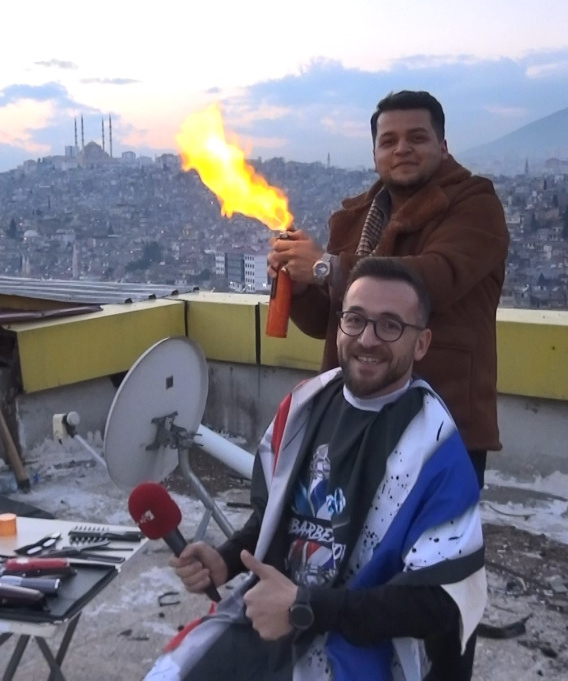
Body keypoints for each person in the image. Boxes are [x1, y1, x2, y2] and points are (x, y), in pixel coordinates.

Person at [146, 257, 486, 681]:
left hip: (368, 651)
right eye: (356, 319)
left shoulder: (434, 446)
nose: (368, 339)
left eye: (391, 325)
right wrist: (225, 560)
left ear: (421, 343)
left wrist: (306, 607)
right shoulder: (304, 407)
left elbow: (438, 601)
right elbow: (277, 519)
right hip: (273, 623)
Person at [268, 90, 509, 487]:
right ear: (375, 152)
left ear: (443, 146)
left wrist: (327, 266)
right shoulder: (355, 218)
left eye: (417, 138)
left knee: (431, 543)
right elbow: (328, 321)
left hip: (437, 417)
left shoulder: (474, 205)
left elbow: (436, 277)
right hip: (352, 412)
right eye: (389, 141)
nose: (402, 150)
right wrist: (299, 281)